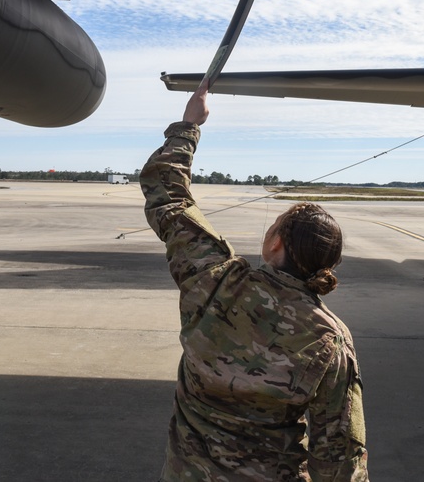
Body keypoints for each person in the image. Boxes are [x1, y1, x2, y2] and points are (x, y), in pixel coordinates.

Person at [140, 81, 368, 481]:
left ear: (274, 242)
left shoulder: (215, 280)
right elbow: (339, 452)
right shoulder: (329, 339)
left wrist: (189, 125)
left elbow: (168, 195)